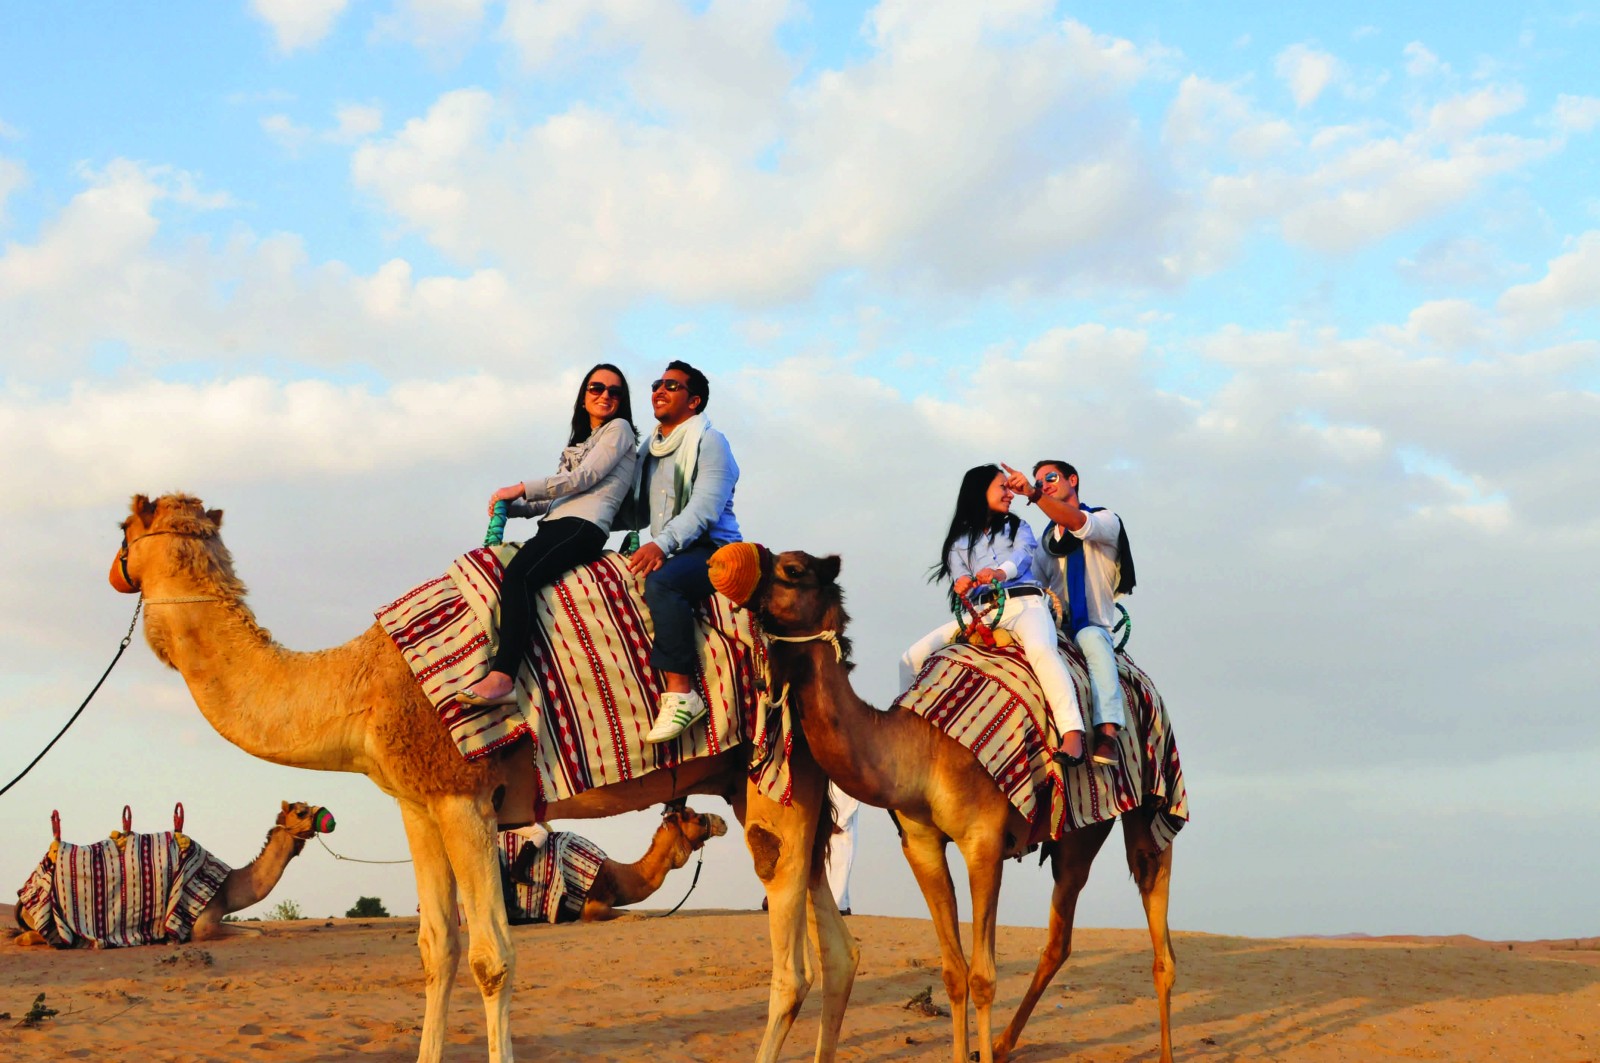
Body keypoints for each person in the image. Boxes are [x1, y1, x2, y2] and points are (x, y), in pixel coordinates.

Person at [460, 365, 638, 706]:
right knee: (510, 579)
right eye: (597, 388)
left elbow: (584, 478)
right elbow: (557, 497)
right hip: (560, 523)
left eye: (615, 392)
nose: (605, 396)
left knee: (519, 577)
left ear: (622, 401)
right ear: (584, 396)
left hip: (583, 526)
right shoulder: (583, 442)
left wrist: (521, 486)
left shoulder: (619, 430)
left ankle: (504, 676)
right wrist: (514, 507)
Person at [900, 464, 1087, 765]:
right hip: (982, 612)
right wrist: (962, 583)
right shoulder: (958, 543)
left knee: (1041, 650)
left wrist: (1000, 572)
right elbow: (959, 575)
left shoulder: (1018, 527)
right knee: (910, 658)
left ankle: (1072, 733)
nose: (1010, 493)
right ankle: (908, 736)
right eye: (1002, 487)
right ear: (980, 490)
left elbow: (1023, 556)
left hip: (1023, 605)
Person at [619, 360, 743, 743]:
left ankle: (681, 692)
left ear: (694, 401)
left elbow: (704, 509)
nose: (659, 389)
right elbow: (628, 510)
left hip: (715, 549)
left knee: (663, 584)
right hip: (674, 547)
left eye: (672, 385)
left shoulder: (710, 441)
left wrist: (662, 543)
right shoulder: (650, 449)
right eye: (657, 383)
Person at [1005, 460, 1134, 767]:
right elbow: (1032, 583)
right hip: (1057, 626)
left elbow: (1078, 523)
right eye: (1038, 481)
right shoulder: (1047, 543)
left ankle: (1107, 732)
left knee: (1090, 636)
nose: (1044, 484)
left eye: (1050, 478)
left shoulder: (1105, 519)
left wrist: (1035, 496)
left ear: (1072, 480)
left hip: (1093, 625)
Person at [825, 782, 858, 915]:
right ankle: (843, 904)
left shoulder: (851, 776)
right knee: (829, 864)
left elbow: (855, 801)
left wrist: (842, 822)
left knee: (842, 864)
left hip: (844, 827)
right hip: (828, 823)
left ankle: (838, 906)